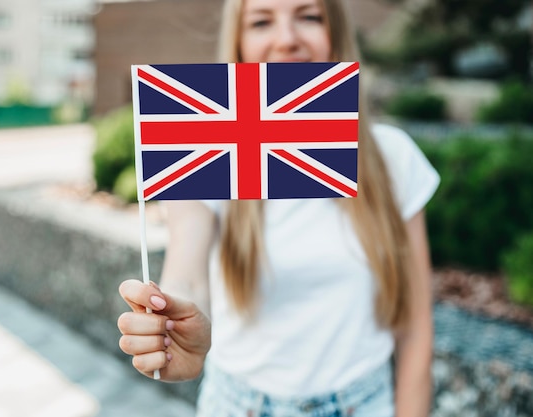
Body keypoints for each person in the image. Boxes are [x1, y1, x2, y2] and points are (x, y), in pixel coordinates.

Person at [117, 0, 440, 416]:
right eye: (261, 21)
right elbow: (186, 273)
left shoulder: (394, 157)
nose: (287, 39)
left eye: (308, 16)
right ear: (239, 43)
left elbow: (415, 330)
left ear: (335, 34)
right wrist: (173, 317)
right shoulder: (203, 154)